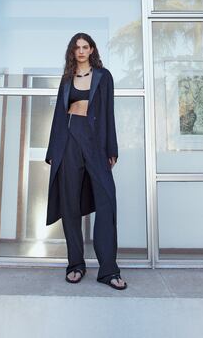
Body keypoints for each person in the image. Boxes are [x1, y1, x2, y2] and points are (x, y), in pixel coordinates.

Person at [45, 32, 127, 290]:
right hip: (68, 137)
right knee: (69, 202)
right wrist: (53, 150)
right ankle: (76, 265)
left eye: (85, 47)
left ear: (92, 50)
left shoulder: (104, 76)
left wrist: (111, 147)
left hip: (94, 140)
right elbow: (59, 115)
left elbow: (108, 114)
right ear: (72, 51)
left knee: (106, 201)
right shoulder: (67, 79)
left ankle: (108, 270)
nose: (81, 51)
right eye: (77, 47)